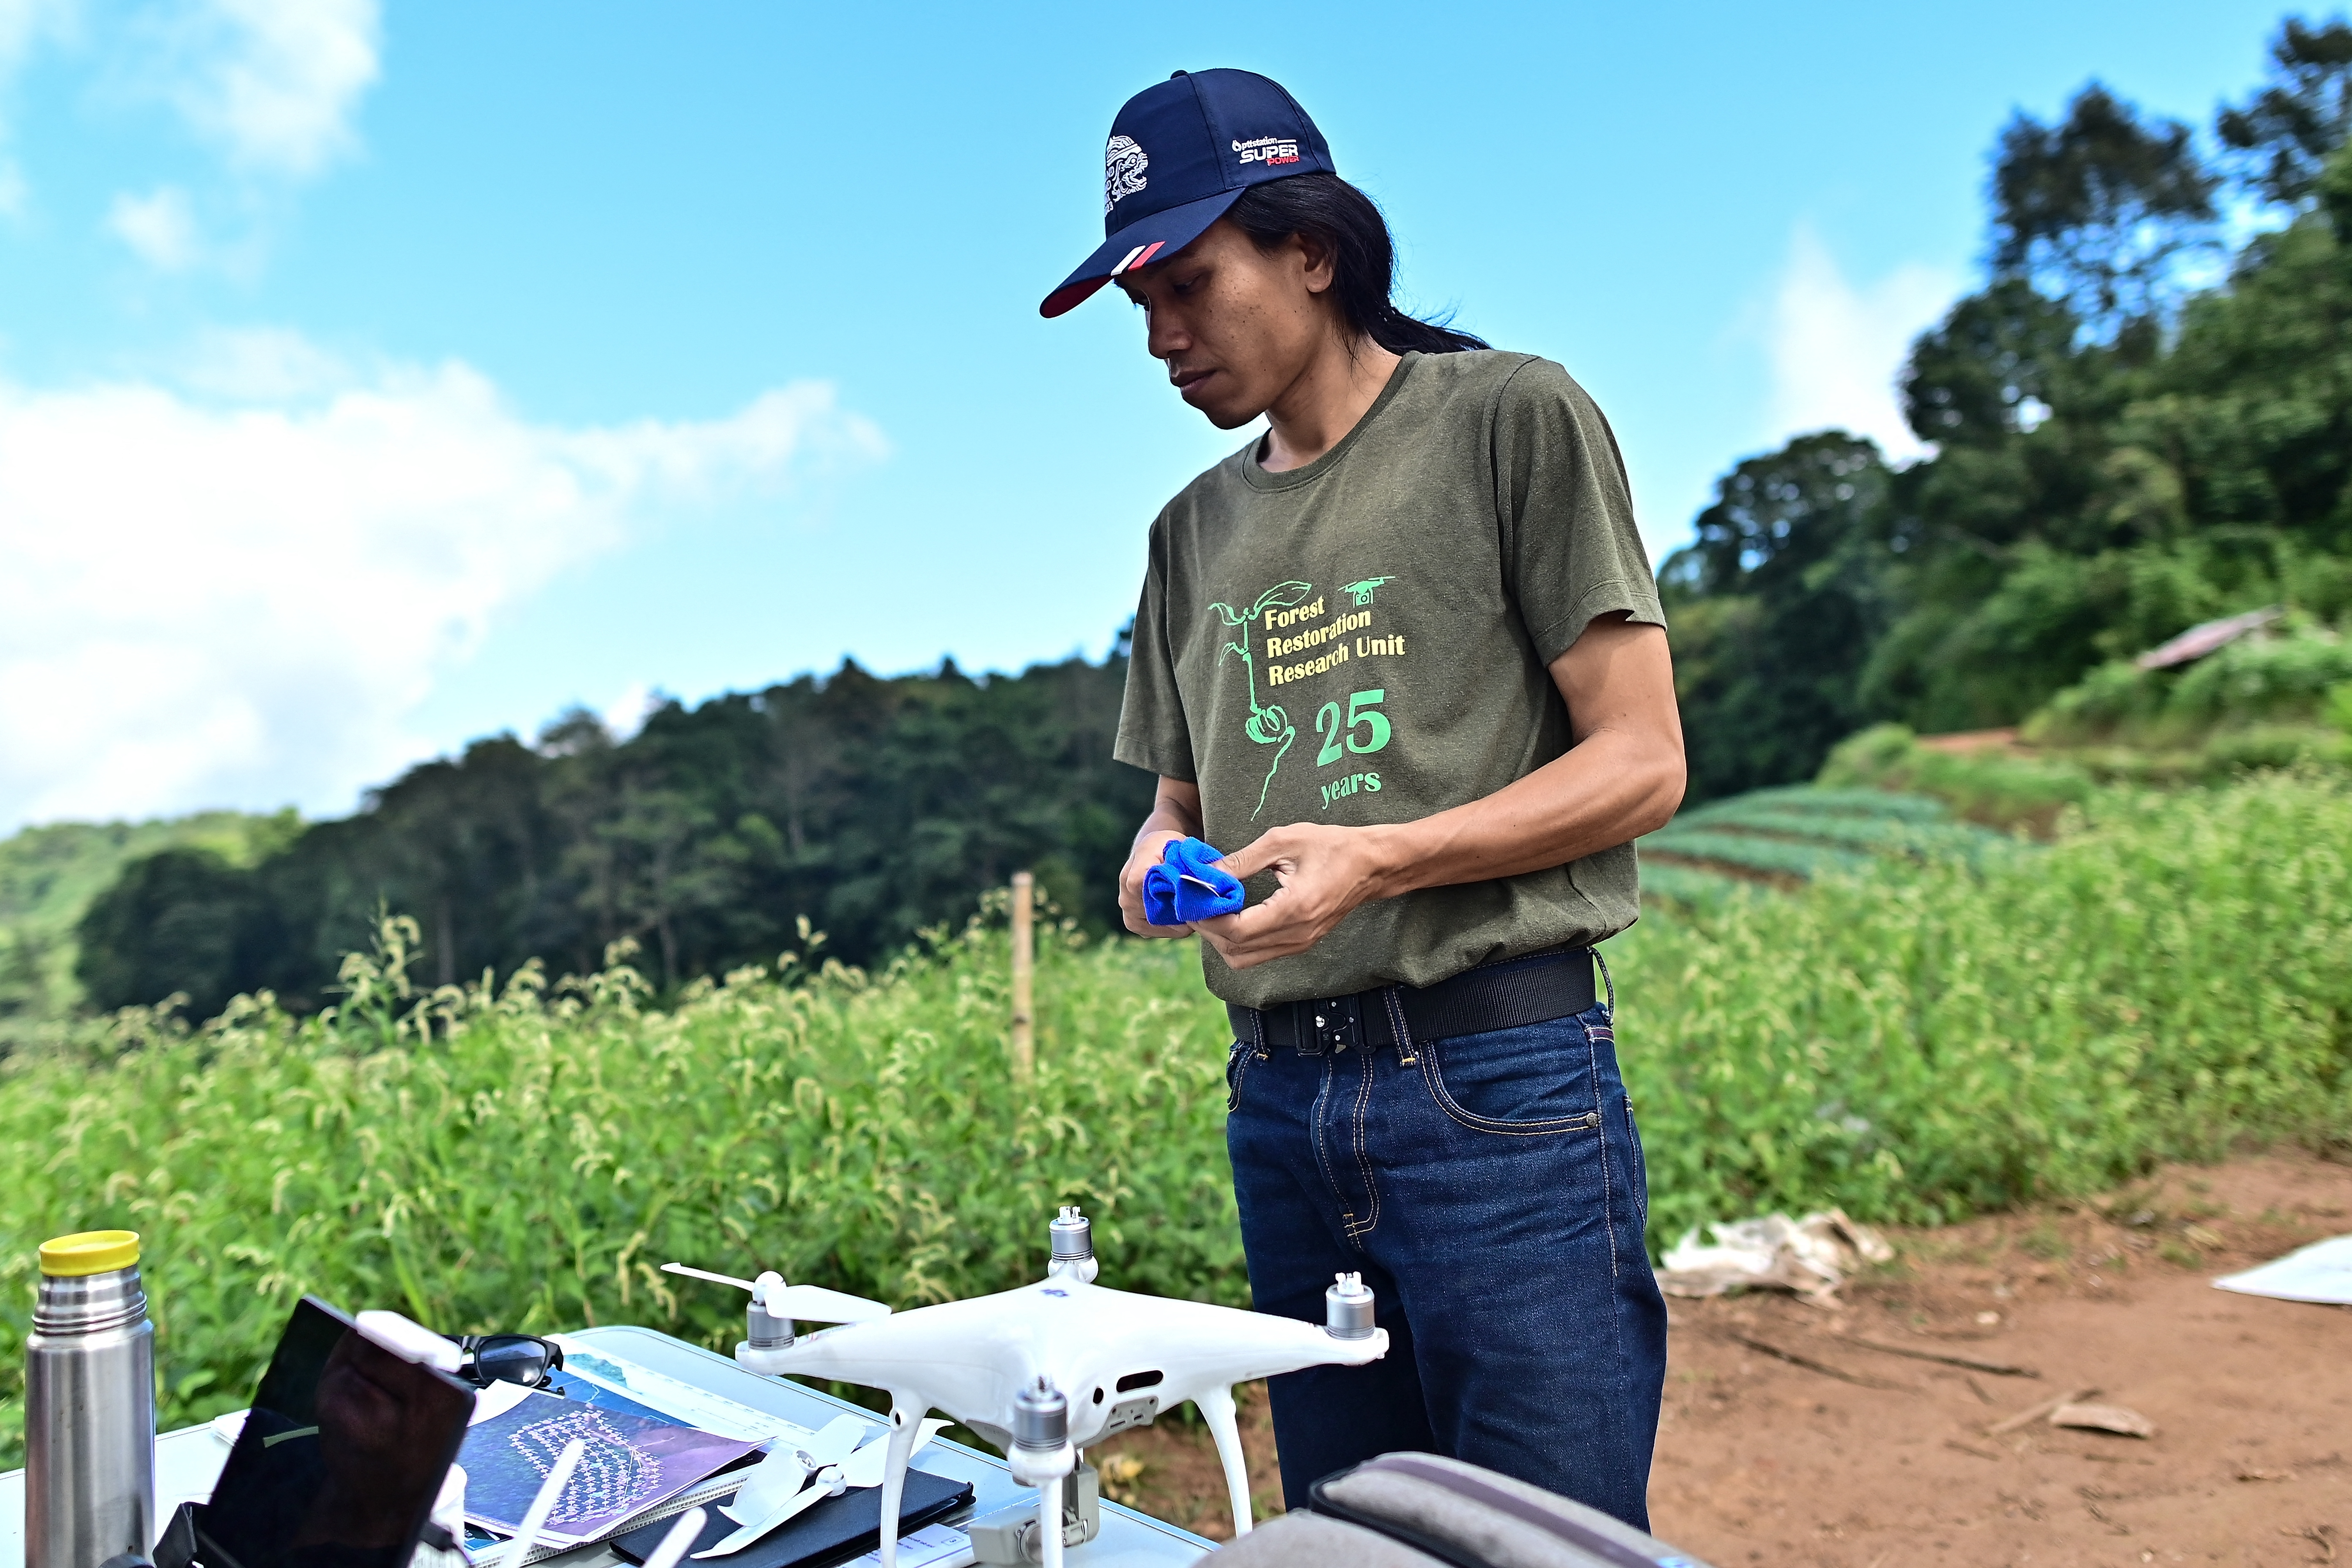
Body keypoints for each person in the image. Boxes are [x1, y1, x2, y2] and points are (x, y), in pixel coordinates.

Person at [1040, 70, 1686, 1529]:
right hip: (1281, 1105)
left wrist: (1381, 861)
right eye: (1140, 304)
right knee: (1350, 1539)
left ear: (1314, 251)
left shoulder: (1509, 418)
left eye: (1189, 285)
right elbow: (1176, 806)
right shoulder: (1188, 532)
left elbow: (1644, 761)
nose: (1162, 337)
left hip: (1496, 1087)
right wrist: (1159, 864)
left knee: (1542, 1544)